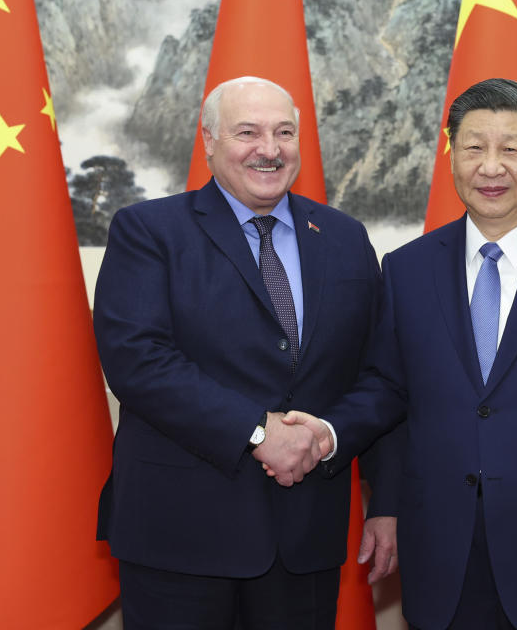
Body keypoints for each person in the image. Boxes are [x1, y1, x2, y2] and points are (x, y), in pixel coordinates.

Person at [278, 78, 517, 630]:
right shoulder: (406, 268)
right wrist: (355, 463)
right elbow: (391, 395)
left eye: (511, 149)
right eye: (473, 148)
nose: (491, 167)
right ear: (452, 156)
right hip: (441, 548)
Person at [92, 76, 398, 630]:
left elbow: (382, 375)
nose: (270, 148)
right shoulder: (148, 231)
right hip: (179, 537)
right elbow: (138, 360)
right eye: (247, 132)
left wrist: (329, 437)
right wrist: (259, 433)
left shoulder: (345, 237)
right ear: (207, 140)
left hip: (305, 539)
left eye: (284, 132)